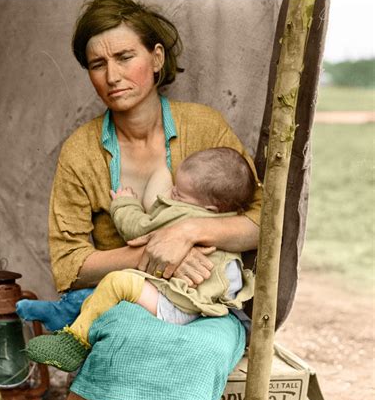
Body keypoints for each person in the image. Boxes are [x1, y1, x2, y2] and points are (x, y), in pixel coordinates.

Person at [16, 0, 262, 400]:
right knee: (124, 335)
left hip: (210, 304)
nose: (112, 76)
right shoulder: (81, 151)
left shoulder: (205, 127)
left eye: (125, 56)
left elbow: (261, 224)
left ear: (156, 57)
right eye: (97, 64)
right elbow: (69, 265)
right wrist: (158, 254)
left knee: (207, 351)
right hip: (136, 299)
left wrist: (186, 232)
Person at [25, 147, 255, 372]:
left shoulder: (182, 214)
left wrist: (125, 203)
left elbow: (137, 228)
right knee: (103, 296)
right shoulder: (227, 221)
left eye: (179, 194)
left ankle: (73, 343)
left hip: (179, 306)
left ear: (209, 208)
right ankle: (64, 313)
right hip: (205, 302)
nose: (172, 192)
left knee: (117, 283)